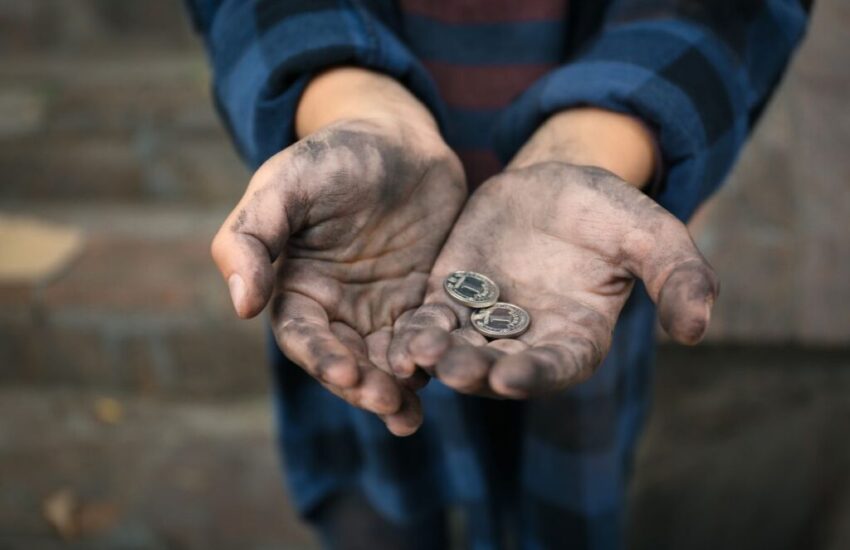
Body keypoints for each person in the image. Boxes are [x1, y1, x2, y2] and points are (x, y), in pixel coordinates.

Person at [185, 1, 810, 548]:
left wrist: (605, 142)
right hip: (359, 267)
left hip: (584, 265)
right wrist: (349, 102)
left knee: (570, 496)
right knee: (380, 497)